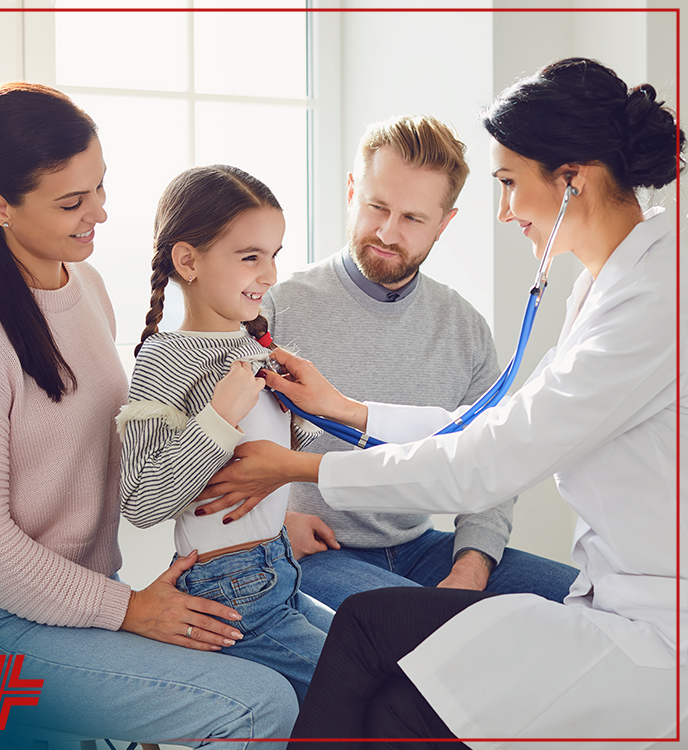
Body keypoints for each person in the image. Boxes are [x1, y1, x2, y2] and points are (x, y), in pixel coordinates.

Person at [197, 57, 686, 746]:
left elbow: (492, 456)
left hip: (655, 624)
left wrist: (300, 469)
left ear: (572, 180)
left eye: (511, 182)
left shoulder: (653, 298)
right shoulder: (615, 285)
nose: (506, 209)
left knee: (389, 659)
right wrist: (347, 410)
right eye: (377, 205)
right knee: (395, 687)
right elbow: (490, 430)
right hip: (621, 598)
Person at [0, 82, 299, 750]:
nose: (99, 213)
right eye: (72, 202)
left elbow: (142, 458)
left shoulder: (88, 286)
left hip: (84, 598)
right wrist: (125, 609)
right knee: (258, 706)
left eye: (100, 187)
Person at [264, 114, 578, 608]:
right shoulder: (276, 308)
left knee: (583, 601)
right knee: (420, 628)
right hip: (319, 551)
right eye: (377, 207)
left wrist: (471, 563)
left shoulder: (464, 326)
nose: (388, 232)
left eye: (412, 219)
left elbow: (491, 461)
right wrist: (276, 521)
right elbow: (218, 445)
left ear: (444, 223)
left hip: (423, 547)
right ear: (352, 191)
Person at [117, 165, 333, 704]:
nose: (271, 274)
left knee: (387, 664)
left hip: (279, 568)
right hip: (229, 588)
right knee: (369, 692)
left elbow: (261, 468)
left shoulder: (256, 349)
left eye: (275, 254)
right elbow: (141, 502)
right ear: (188, 260)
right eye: (250, 257)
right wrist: (216, 417)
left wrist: (303, 411)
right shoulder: (164, 360)